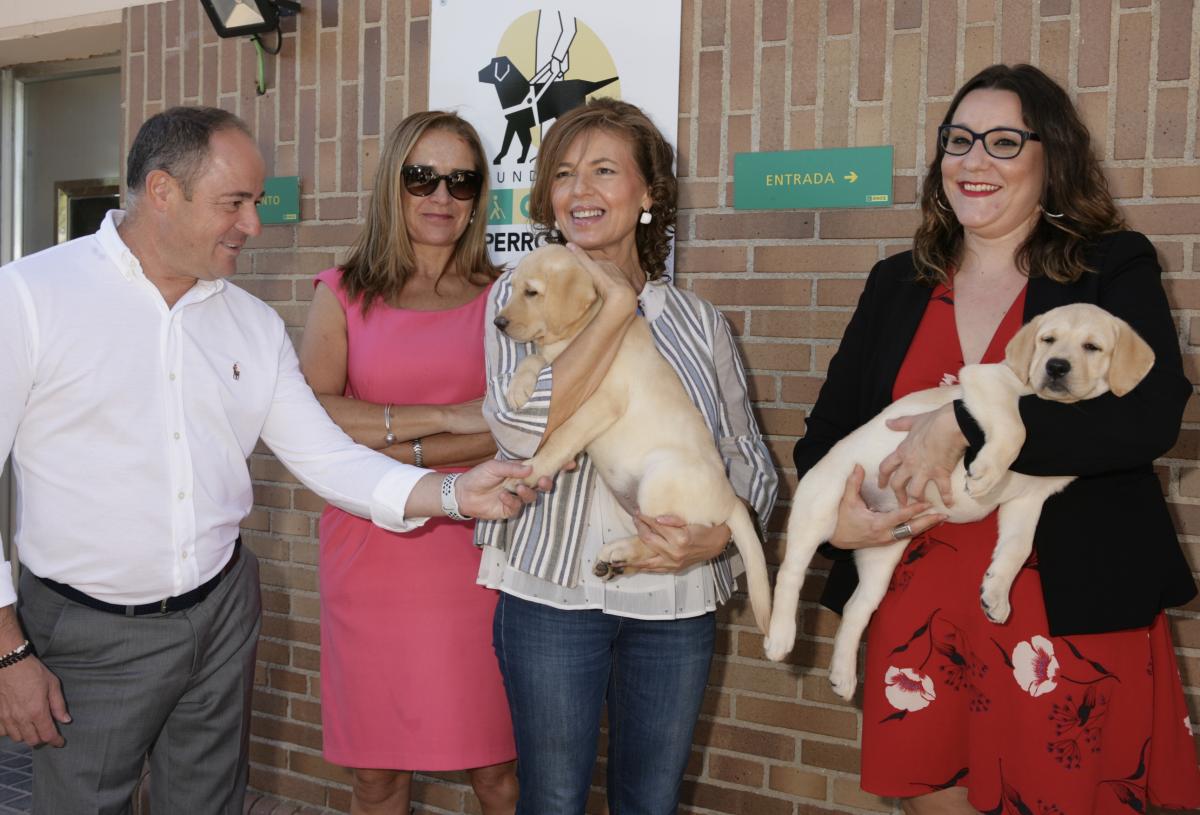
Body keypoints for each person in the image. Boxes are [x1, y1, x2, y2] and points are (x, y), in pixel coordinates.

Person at [0, 106, 541, 815]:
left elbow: (325, 455)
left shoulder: (250, 324)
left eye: (255, 202)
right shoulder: (29, 298)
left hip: (222, 615)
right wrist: (8, 651)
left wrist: (452, 495)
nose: (253, 224)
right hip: (89, 632)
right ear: (162, 192)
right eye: (235, 203)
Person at [799, 64, 1200, 815]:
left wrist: (962, 422)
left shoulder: (1111, 264)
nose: (974, 160)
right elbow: (823, 439)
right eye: (959, 140)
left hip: (1065, 600)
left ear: (1053, 159)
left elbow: (1145, 418)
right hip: (919, 606)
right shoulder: (897, 282)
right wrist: (836, 524)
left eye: (1004, 141)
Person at [476, 97, 778, 814]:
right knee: (550, 799)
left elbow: (748, 455)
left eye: (604, 171)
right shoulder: (516, 296)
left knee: (651, 800)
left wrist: (715, 540)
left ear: (648, 194)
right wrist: (612, 311)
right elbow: (520, 430)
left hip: (674, 601)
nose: (580, 191)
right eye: (564, 174)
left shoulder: (699, 322)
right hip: (551, 594)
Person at [298, 111, 516, 814]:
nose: (441, 196)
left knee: (499, 768)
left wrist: (391, 439)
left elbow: (513, 425)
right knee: (376, 775)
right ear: (393, 182)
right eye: (421, 176)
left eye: (461, 180)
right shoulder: (340, 293)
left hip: (480, 552)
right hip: (370, 555)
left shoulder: (506, 296)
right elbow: (313, 418)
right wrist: (451, 417)